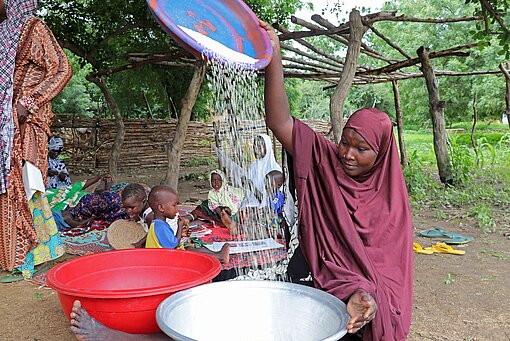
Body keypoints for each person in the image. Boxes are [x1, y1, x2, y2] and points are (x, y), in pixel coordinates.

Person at [260, 21, 413, 340]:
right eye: (345, 142)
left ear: (382, 153)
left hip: (360, 307)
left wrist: (367, 295)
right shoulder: (323, 157)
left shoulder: (392, 205)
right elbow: (279, 120)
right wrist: (275, 55)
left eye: (362, 149)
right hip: (317, 277)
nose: (348, 154)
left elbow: (390, 275)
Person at [0, 0, 73, 275]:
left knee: (24, 183)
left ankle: (27, 255)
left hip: (27, 121)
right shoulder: (2, 32)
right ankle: (10, 256)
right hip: (4, 123)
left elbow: (62, 68)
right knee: (6, 186)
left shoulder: (33, 28)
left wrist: (27, 103)